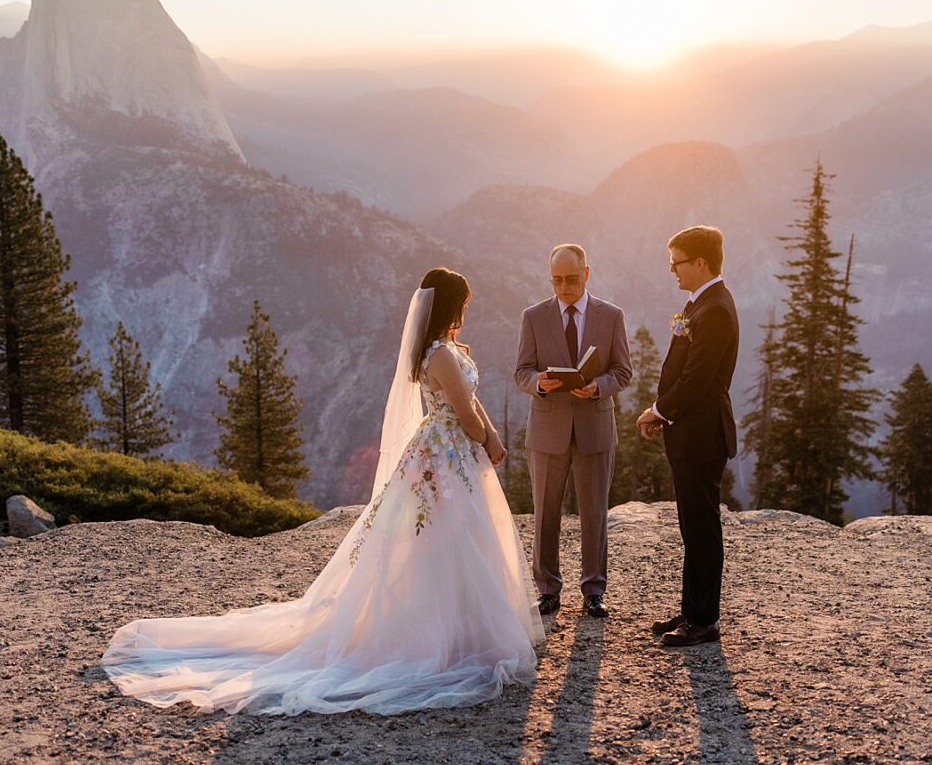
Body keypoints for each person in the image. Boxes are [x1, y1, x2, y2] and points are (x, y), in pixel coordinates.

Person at [101, 267, 545, 714]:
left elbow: (472, 403)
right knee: (447, 540)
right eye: (464, 305)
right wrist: (487, 439)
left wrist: (491, 436)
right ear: (451, 305)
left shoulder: (447, 350)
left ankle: (458, 627)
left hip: (449, 453)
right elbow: (465, 414)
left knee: (452, 540)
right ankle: (442, 635)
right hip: (447, 455)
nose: (467, 312)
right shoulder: (441, 356)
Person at [513, 243, 632, 618]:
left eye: (570, 279)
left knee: (595, 512)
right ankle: (547, 589)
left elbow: (623, 371)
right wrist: (539, 383)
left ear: (586, 273)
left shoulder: (611, 316)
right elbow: (521, 371)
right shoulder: (533, 317)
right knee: (545, 511)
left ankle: (594, 591)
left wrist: (599, 386)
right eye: (556, 280)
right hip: (548, 429)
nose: (563, 287)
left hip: (595, 427)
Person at [637, 225, 740, 647]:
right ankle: (692, 609)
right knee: (691, 525)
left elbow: (698, 379)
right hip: (688, 432)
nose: (672, 271)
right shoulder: (699, 303)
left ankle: (705, 621)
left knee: (701, 526)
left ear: (700, 263)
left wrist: (658, 410)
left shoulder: (714, 309)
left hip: (702, 435)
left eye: (677, 263)